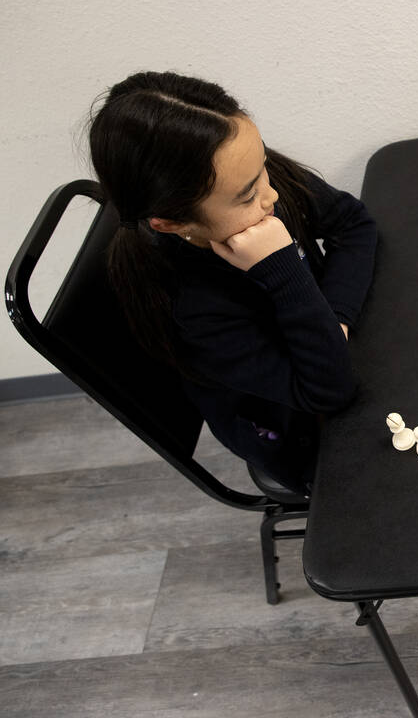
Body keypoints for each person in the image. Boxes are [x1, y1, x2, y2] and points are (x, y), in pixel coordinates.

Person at [89, 72, 377, 493]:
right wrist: (284, 270)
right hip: (304, 436)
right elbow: (329, 391)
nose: (271, 195)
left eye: (261, 165)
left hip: (334, 352)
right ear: (172, 223)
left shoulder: (240, 171)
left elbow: (353, 224)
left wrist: (334, 321)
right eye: (246, 195)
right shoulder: (190, 309)